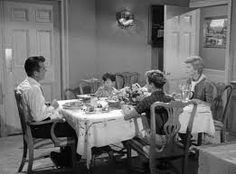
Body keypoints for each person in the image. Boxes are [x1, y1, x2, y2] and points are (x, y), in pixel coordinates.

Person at [17, 56, 79, 167]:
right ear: (36, 73)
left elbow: (34, 108)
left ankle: (63, 157)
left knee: (66, 123)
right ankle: (69, 161)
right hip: (39, 128)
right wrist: (53, 107)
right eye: (43, 68)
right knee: (76, 127)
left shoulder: (24, 84)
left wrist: (47, 106)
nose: (45, 70)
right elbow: (38, 116)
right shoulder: (33, 88)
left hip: (32, 127)